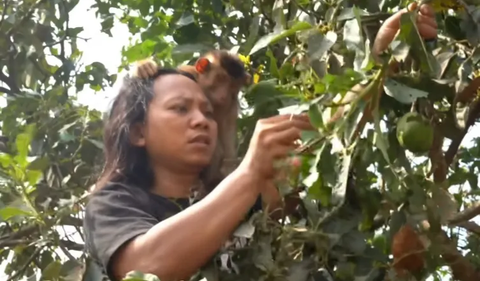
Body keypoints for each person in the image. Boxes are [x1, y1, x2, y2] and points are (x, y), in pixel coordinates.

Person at [83, 4, 438, 281]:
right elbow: (144, 269)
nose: (202, 120)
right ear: (138, 132)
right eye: (180, 109)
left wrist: (381, 60)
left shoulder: (237, 197)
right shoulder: (115, 203)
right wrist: (249, 175)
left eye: (208, 112)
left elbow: (324, 135)